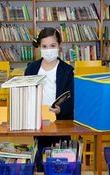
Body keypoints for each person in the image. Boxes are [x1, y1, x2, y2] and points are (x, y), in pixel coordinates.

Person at [24, 27, 74, 172]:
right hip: (39, 121)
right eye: (44, 46)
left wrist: (61, 109)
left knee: (61, 160)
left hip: (61, 121)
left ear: (59, 46)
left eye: (52, 46)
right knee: (41, 157)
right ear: (39, 47)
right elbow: (26, 93)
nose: (48, 50)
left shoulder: (67, 70)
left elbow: (72, 96)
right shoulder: (32, 69)